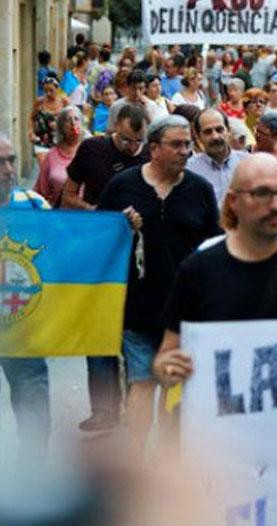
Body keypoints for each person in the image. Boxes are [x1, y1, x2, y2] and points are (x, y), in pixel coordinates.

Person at [152, 153, 277, 396]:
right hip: (220, 429)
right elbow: (168, 355)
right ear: (233, 201)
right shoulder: (197, 271)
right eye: (262, 193)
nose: (276, 205)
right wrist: (166, 368)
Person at [97, 115, 220, 450]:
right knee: (141, 382)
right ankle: (136, 462)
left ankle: (167, 462)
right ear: (154, 149)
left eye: (187, 144)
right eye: (176, 145)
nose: (185, 151)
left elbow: (214, 247)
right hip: (137, 307)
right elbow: (98, 239)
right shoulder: (122, 186)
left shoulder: (200, 190)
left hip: (184, 312)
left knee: (173, 388)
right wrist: (119, 226)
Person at [61, 103, 150, 431]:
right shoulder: (92, 149)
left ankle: (132, 406)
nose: (132, 148)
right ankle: (103, 410)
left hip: (138, 260)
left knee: (132, 333)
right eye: (126, 140)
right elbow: (67, 196)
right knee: (98, 333)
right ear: (114, 128)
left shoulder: (148, 155)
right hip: (97, 255)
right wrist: (96, 213)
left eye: (138, 142)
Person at [0, 133, 52, 460]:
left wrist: (119, 227)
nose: (8, 169)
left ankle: (32, 475)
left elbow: (68, 245)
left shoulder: (33, 204)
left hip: (23, 327)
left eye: (11, 160)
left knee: (33, 408)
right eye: (0, 163)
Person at [186, 108, 250, 203]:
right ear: (198, 136)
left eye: (219, 130)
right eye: (208, 132)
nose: (215, 137)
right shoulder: (189, 170)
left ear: (228, 130)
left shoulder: (248, 163)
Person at [34, 106, 84, 206]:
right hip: (59, 216)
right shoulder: (52, 155)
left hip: (89, 216)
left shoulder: (90, 151)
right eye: (67, 120)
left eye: (76, 119)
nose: (73, 123)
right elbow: (40, 191)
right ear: (61, 127)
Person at [30, 77, 70, 166]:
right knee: (44, 168)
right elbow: (32, 118)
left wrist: (60, 125)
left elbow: (72, 118)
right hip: (41, 141)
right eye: (45, 91)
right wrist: (31, 132)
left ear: (57, 89)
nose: (48, 93)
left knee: (56, 171)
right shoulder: (39, 102)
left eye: (51, 90)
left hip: (60, 142)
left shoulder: (64, 102)